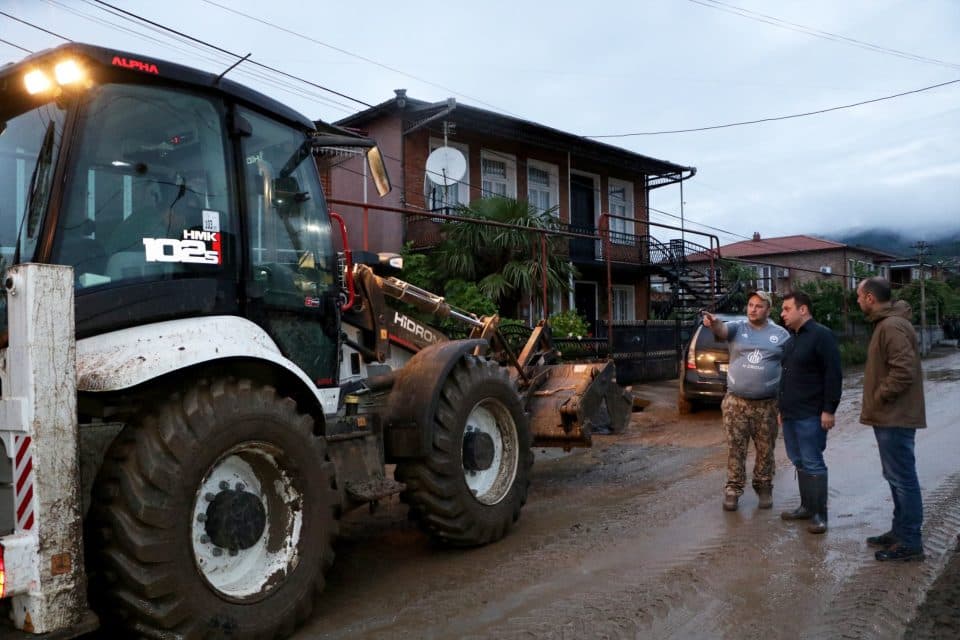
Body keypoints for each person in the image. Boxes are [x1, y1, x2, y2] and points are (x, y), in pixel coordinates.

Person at [857, 276, 927, 562]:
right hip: (891, 416)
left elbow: (904, 371)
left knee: (903, 479)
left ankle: (910, 541)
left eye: (860, 297)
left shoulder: (891, 326)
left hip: (895, 416)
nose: (858, 301)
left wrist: (880, 396)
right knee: (895, 477)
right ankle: (900, 532)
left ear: (871, 298)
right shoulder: (887, 324)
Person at [703, 290, 790, 511]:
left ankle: (763, 487)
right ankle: (733, 489)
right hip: (736, 403)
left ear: (768, 309)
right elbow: (721, 330)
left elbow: (791, 366)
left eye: (759, 306)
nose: (753, 309)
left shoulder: (780, 335)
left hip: (767, 405)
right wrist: (713, 323)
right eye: (750, 305)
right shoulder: (737, 328)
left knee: (765, 449)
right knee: (735, 448)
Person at [778, 291, 842, 534]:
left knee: (813, 462)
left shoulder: (821, 336)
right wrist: (780, 408)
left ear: (802, 309)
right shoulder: (791, 340)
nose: (782, 314)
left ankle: (819, 515)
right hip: (791, 414)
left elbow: (833, 374)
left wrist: (829, 409)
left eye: (786, 309)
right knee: (799, 461)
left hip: (811, 414)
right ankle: (806, 507)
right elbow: (785, 376)